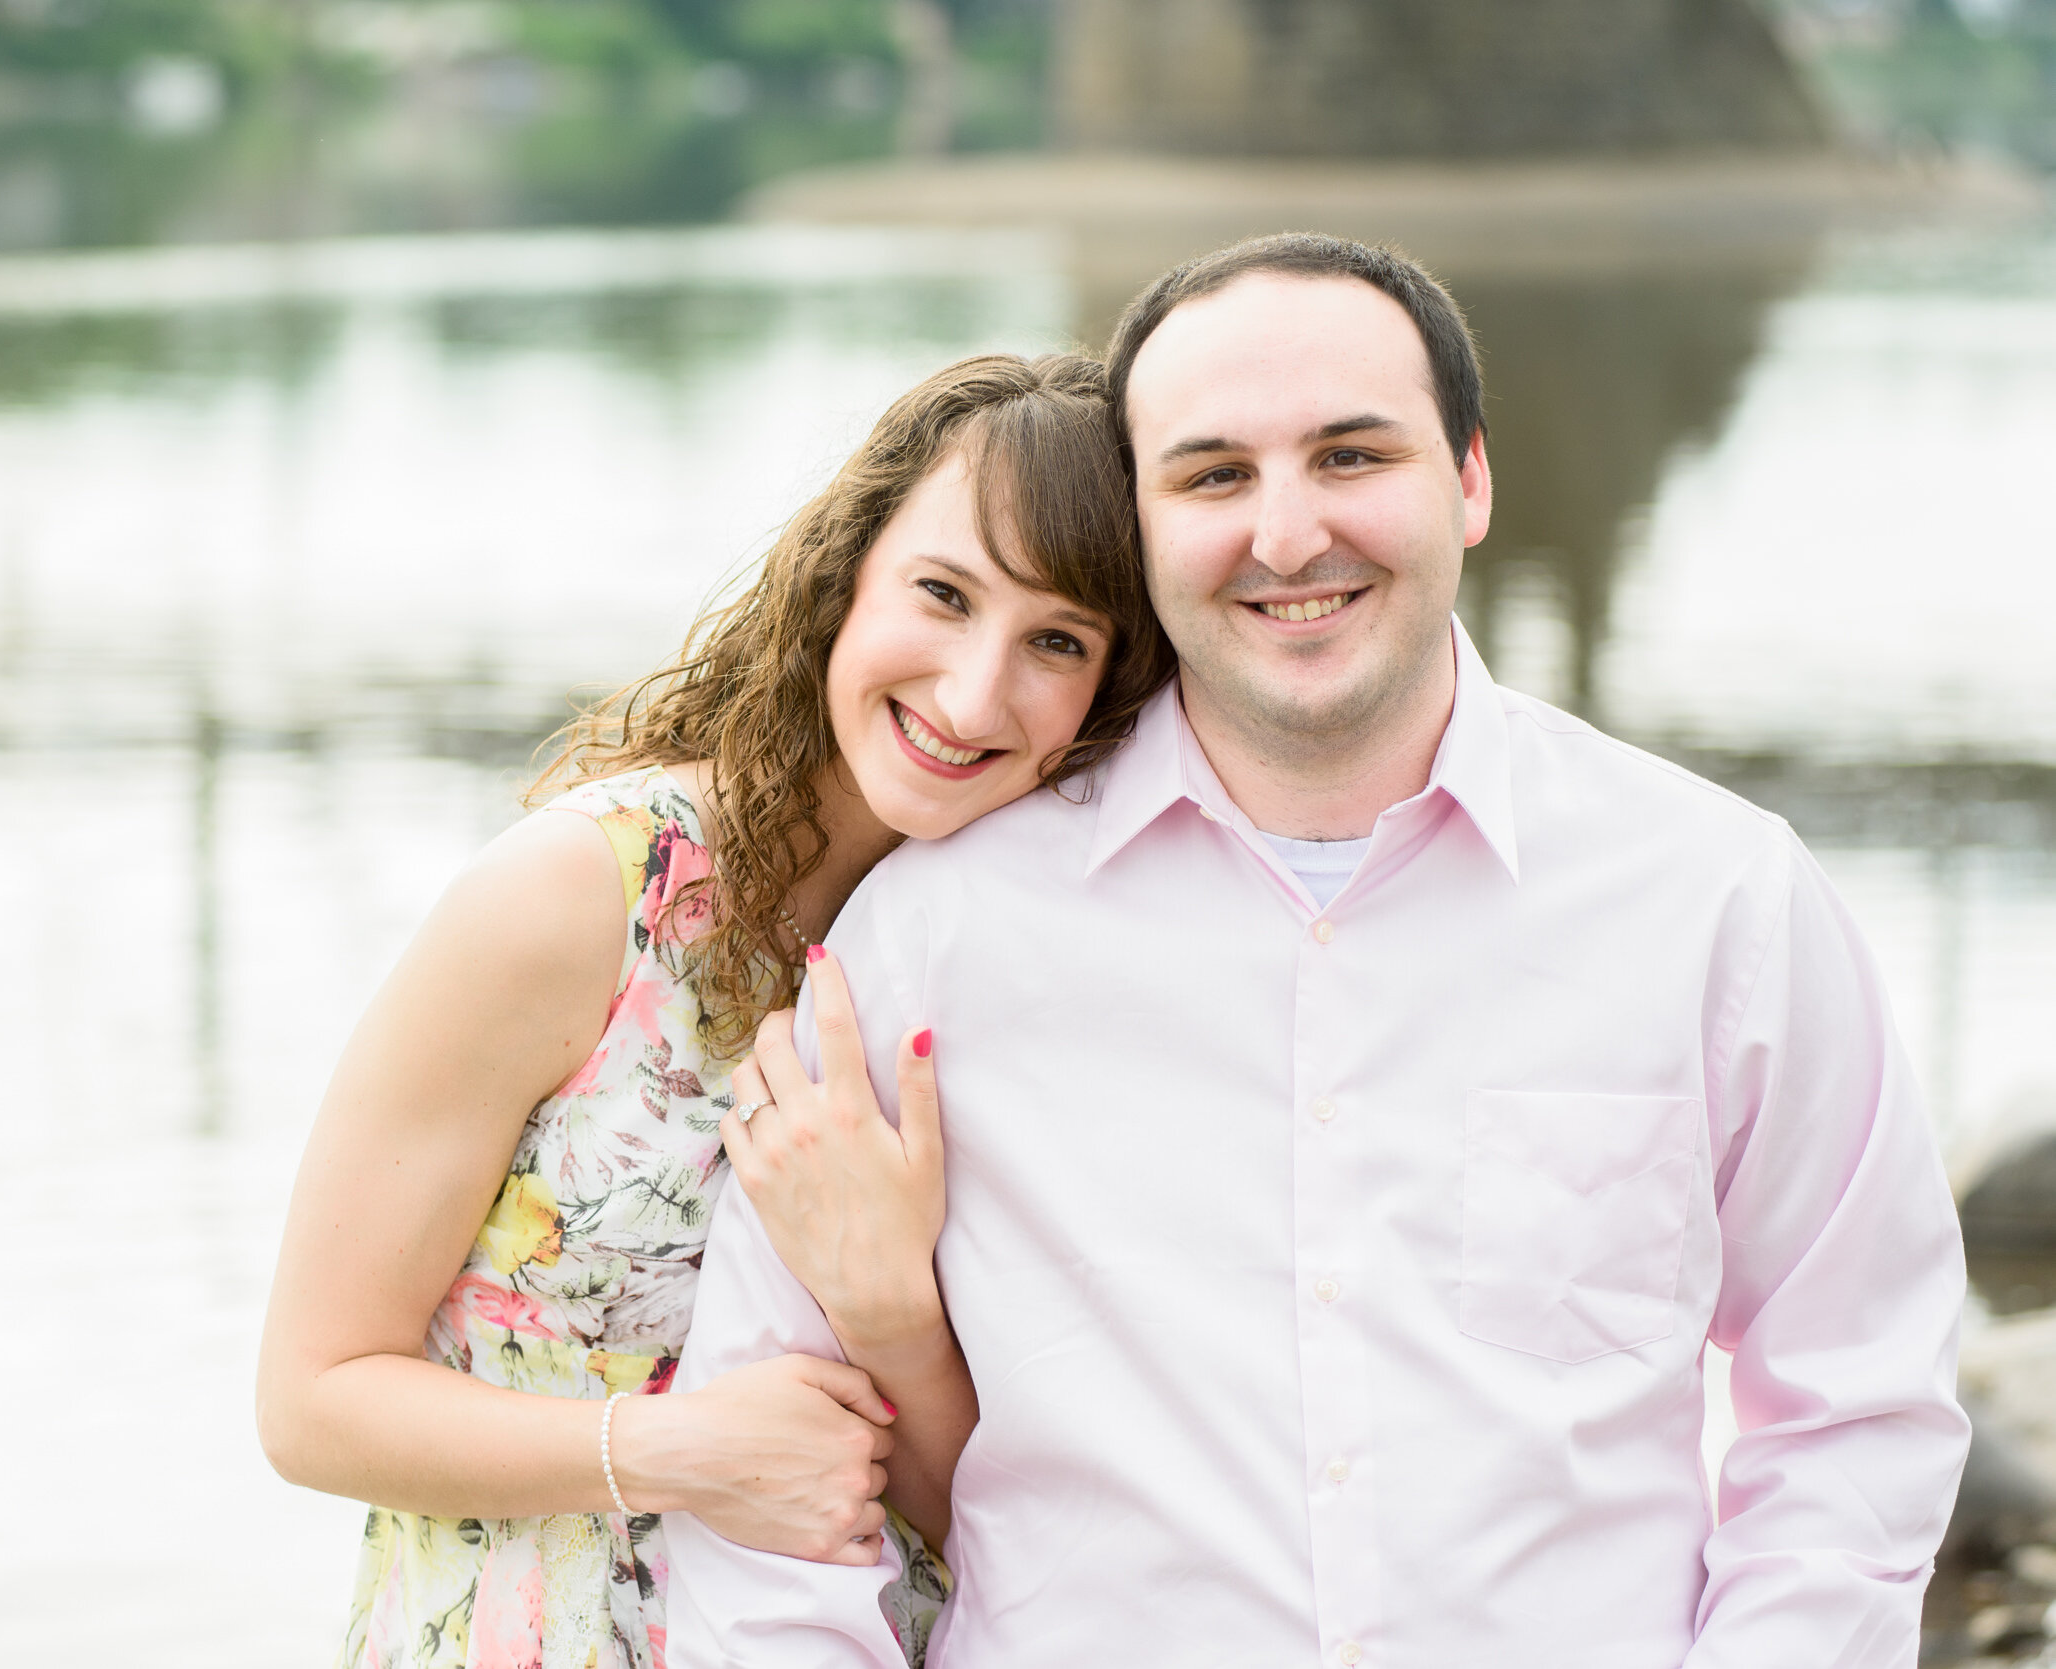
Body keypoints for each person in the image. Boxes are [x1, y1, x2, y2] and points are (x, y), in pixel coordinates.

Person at [663, 233, 1971, 1667]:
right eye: (1214, 475)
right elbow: (779, 1473)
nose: (1285, 535)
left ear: (1469, 479)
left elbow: (1856, 1404)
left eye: (1352, 457)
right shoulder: (940, 931)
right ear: (1143, 525)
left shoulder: (1720, 902)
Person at [254, 351, 1172, 1669]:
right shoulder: (577, 900)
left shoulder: (1018, 971)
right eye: (942, 593)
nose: (974, 693)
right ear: (847, 572)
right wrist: (680, 1453)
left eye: (1057, 642)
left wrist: (894, 1316)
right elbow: (310, 1399)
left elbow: (1017, 1519)